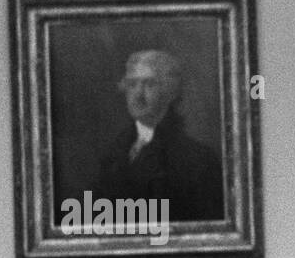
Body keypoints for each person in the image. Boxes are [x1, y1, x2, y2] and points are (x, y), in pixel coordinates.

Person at [96, 49, 224, 222]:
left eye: (149, 84)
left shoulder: (198, 159)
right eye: (132, 84)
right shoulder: (113, 151)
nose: (138, 95)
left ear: (170, 92)